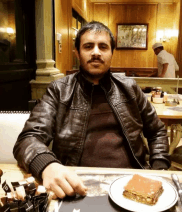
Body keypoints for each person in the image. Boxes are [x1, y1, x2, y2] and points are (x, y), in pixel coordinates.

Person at [13, 21, 170, 199]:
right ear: (77, 53)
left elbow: (157, 130)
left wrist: (159, 167)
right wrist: (47, 165)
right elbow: (28, 139)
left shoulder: (130, 88)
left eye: (103, 47)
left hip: (132, 183)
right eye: (88, 46)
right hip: (74, 185)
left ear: (112, 53)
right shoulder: (59, 90)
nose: (96, 52)